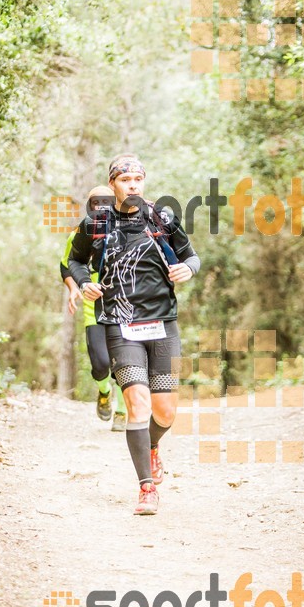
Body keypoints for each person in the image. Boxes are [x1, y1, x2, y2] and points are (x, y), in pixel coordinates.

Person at [68, 155, 200, 515]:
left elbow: (192, 256)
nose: (133, 185)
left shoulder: (163, 217)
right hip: (119, 324)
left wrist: (187, 269)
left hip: (162, 324)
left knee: (166, 412)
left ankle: (152, 447)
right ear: (112, 184)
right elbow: (75, 261)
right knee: (138, 405)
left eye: (138, 178)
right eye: (125, 179)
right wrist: (84, 284)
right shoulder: (96, 223)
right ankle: (145, 488)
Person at [60, 185, 127, 431]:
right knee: (100, 364)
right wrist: (74, 287)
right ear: (89, 206)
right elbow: (67, 264)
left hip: (124, 303)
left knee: (123, 361)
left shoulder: (126, 229)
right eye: (95, 203)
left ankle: (121, 411)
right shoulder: (83, 231)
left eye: (106, 202)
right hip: (93, 305)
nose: (101, 207)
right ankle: (104, 391)